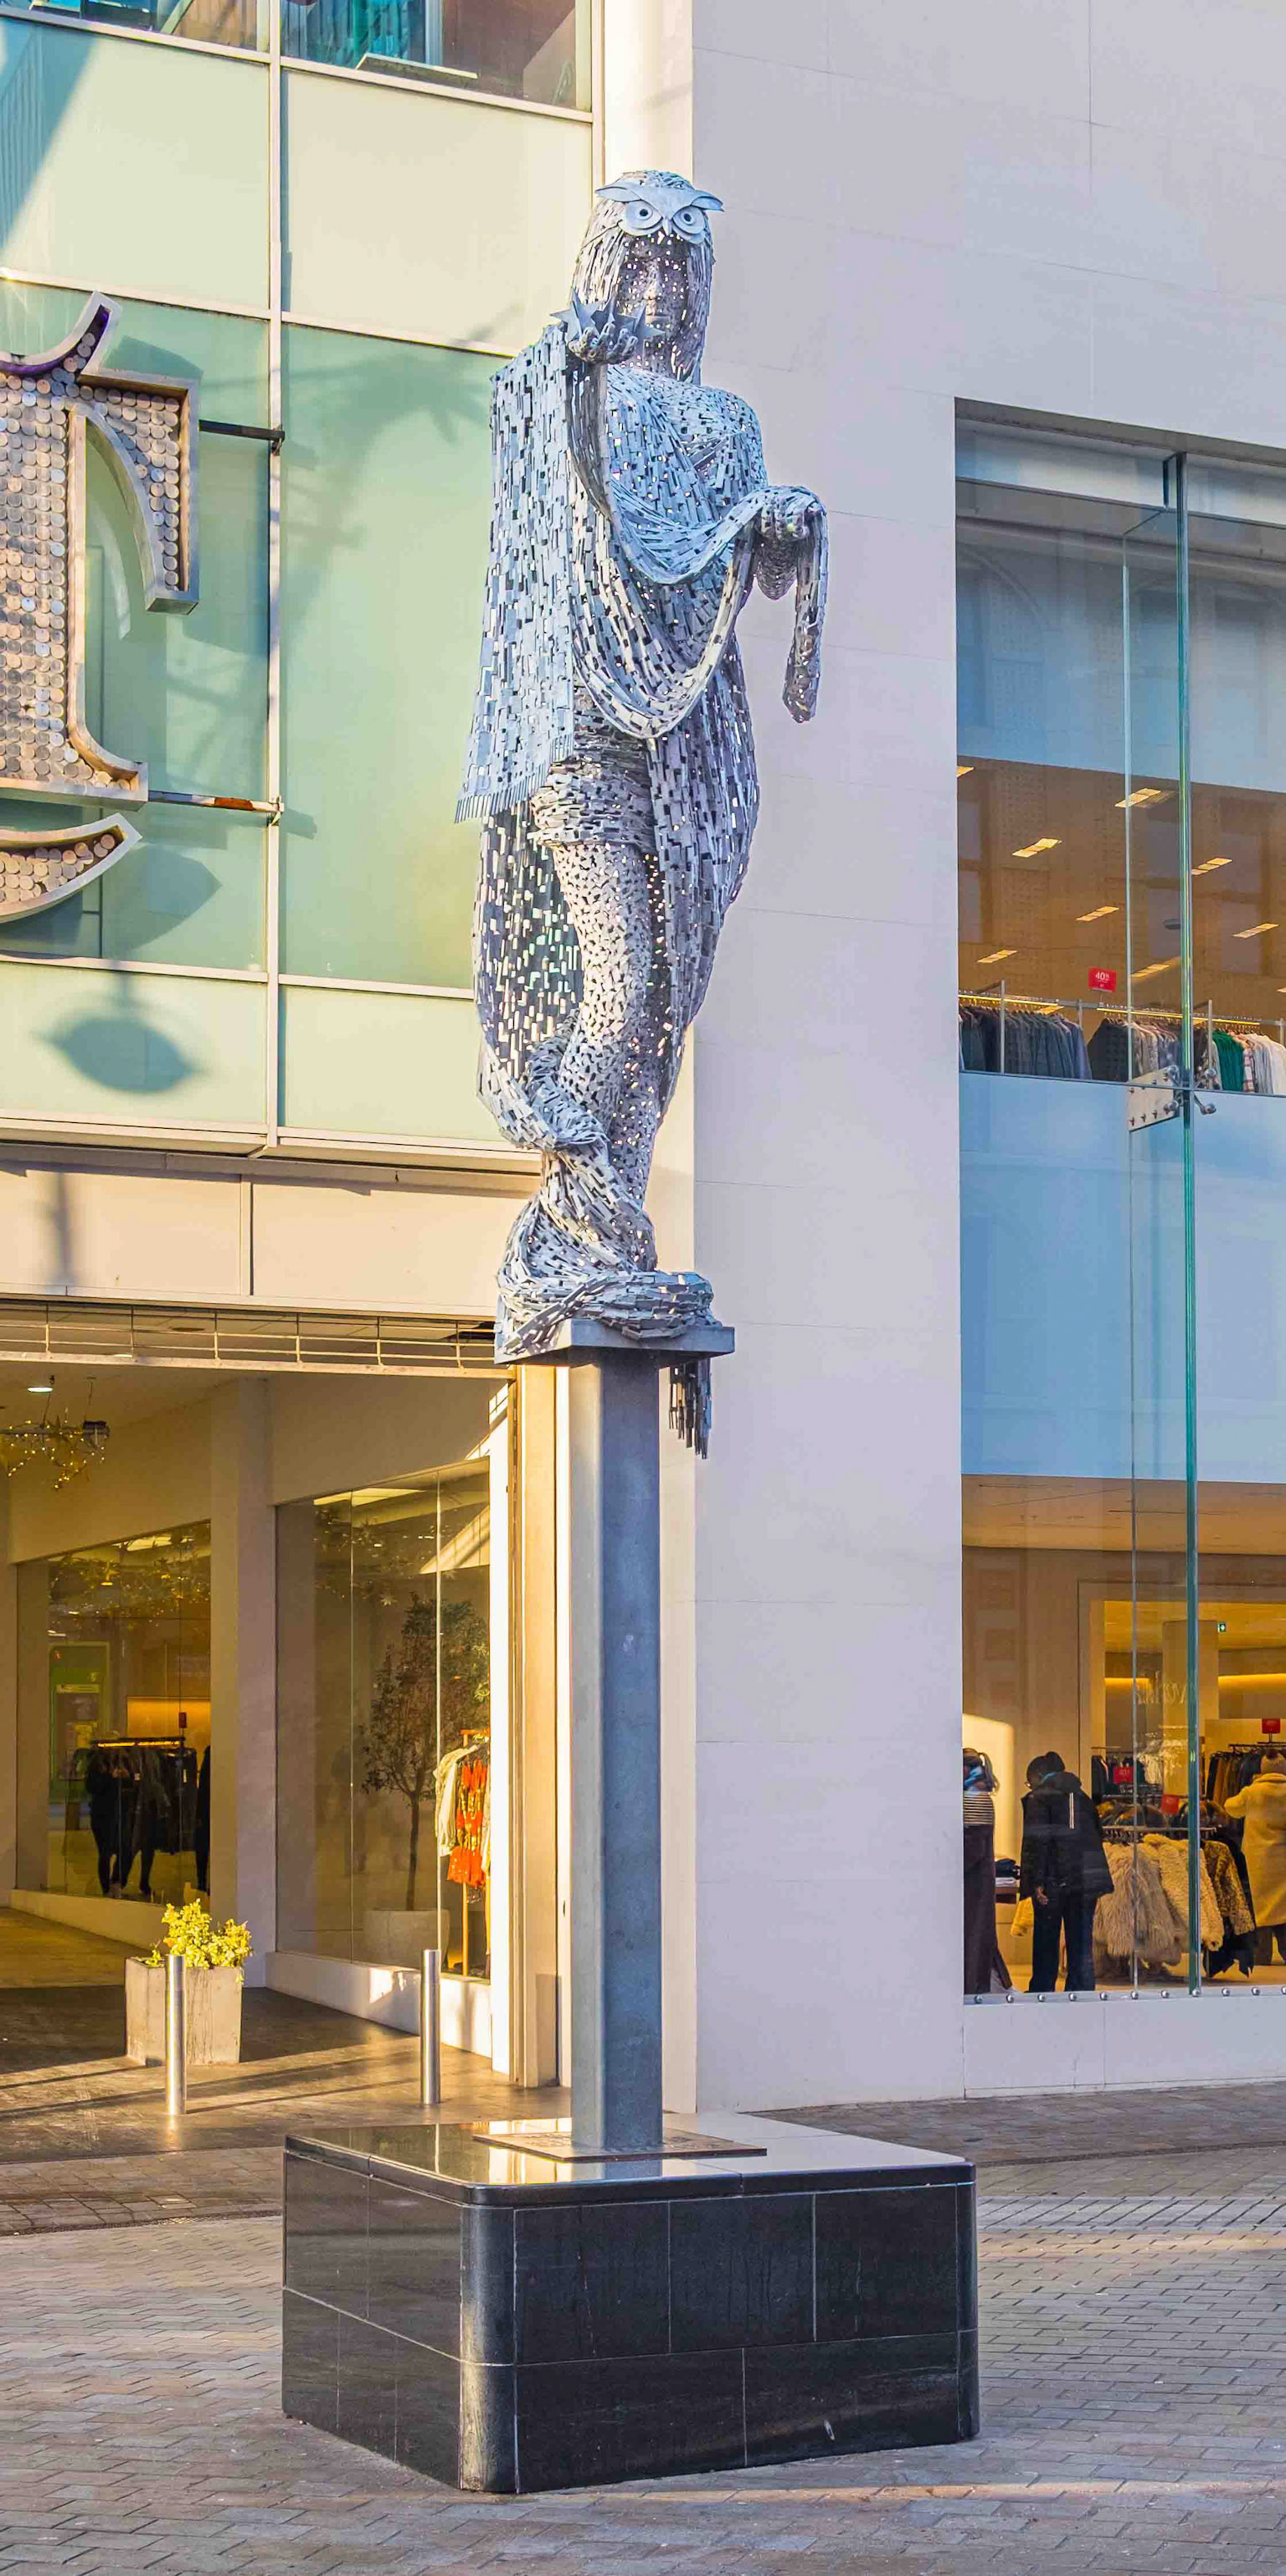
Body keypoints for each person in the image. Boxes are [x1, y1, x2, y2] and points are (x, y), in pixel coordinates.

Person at [1020, 1749, 1112, 1992]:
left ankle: (1042, 1990)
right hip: (1086, 1879)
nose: (1030, 1786)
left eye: (1030, 1781)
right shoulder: (1082, 1797)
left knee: (1046, 1938)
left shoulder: (1039, 1798)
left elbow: (1037, 1842)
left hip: (1054, 1879)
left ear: (1039, 1776)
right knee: (1081, 1939)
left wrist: (1037, 1881)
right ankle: (1080, 1991)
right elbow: (1096, 1836)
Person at [1224, 1749, 1286, 1965]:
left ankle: (1262, 1955)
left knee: (1260, 1907)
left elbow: (1231, 1807)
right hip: (1283, 1857)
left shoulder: (1253, 1792)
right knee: (1284, 1908)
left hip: (1258, 1858)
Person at [963, 1748, 1011, 1994]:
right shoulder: (978, 1793)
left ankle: (978, 1990)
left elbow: (972, 1846)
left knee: (974, 1940)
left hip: (972, 1884)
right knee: (979, 1940)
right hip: (978, 1881)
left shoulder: (973, 1797)